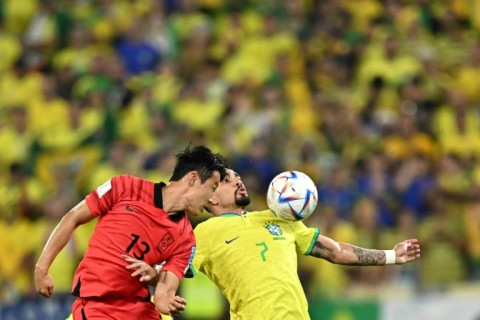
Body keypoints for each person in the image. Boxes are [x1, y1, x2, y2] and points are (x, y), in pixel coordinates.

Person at [127, 169, 421, 320]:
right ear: (212, 197)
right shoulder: (203, 233)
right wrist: (151, 273)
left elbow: (335, 251)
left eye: (238, 177)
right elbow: (170, 270)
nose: (239, 181)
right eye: (229, 180)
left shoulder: (281, 218)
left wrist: (391, 255)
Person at [34, 144, 227, 319]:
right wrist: (42, 267)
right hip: (98, 306)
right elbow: (73, 217)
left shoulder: (186, 239)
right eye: (212, 188)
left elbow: (163, 295)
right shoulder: (125, 187)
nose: (213, 200)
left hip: (139, 310)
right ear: (193, 179)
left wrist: (166, 299)